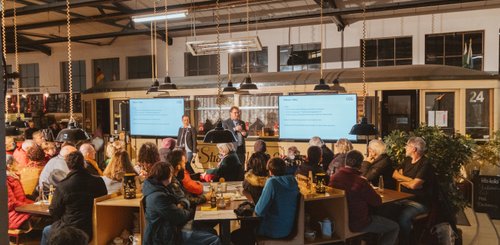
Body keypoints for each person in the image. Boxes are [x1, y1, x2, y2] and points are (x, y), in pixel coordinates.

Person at [329, 150, 399, 245]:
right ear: (360, 165)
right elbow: (377, 202)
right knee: (394, 227)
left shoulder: (334, 177)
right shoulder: (360, 182)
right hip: (358, 223)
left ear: (346, 162)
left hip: (338, 222)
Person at [142, 161, 221, 245]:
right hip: (166, 236)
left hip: (172, 228)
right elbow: (179, 216)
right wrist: (189, 211)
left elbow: (182, 198)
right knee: (214, 240)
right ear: (168, 175)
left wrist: (182, 205)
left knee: (210, 231)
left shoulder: (162, 187)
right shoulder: (158, 197)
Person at [41, 151, 107, 245]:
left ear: (68, 166)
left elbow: (54, 211)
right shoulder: (98, 181)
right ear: (84, 164)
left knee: (46, 230)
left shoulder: (63, 186)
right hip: (94, 228)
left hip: (70, 231)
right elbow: (104, 201)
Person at [392, 137, 433, 245]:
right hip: (403, 199)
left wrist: (403, 180)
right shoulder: (407, 160)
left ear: (414, 149)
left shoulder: (425, 163)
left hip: (420, 202)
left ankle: (405, 242)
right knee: (386, 211)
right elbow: (395, 174)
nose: (405, 147)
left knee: (403, 218)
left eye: (407, 145)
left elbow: (415, 186)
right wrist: (410, 180)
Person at [6, 155, 34, 230]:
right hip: (12, 215)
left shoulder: (13, 177)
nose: (18, 164)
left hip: (19, 209)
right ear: (9, 166)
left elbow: (21, 198)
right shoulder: (6, 180)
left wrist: (33, 204)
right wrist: (29, 206)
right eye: (15, 162)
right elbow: (10, 204)